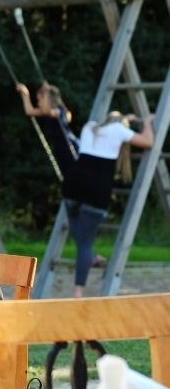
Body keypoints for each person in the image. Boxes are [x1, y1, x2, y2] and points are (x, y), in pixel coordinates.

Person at [62, 111, 154, 297]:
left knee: (81, 240)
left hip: (73, 187)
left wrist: (125, 119)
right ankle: (78, 291)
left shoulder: (90, 127)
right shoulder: (119, 129)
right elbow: (148, 142)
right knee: (85, 243)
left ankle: (90, 258)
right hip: (95, 190)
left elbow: (111, 125)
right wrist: (147, 123)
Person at [16, 81, 79, 177]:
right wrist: (25, 94)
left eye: (40, 100)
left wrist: (46, 93)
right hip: (61, 150)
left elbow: (51, 111)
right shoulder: (47, 112)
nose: (38, 103)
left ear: (48, 100)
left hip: (70, 148)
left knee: (75, 174)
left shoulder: (58, 111)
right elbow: (29, 111)